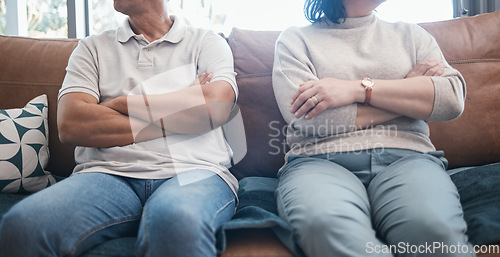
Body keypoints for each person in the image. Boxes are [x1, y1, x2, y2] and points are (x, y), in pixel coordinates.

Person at [0, 0, 239, 256]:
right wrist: (181, 109)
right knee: (23, 225)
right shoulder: (92, 48)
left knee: (176, 222)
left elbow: (216, 106)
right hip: (106, 175)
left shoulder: (207, 42)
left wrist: (122, 103)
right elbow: (71, 124)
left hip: (194, 171)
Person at [272, 0, 472, 256]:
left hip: (408, 159)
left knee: (433, 230)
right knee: (326, 227)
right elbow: (309, 119)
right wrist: (408, 90)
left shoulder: (412, 35)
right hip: (319, 162)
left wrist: (356, 90)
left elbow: (452, 98)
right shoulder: (295, 40)